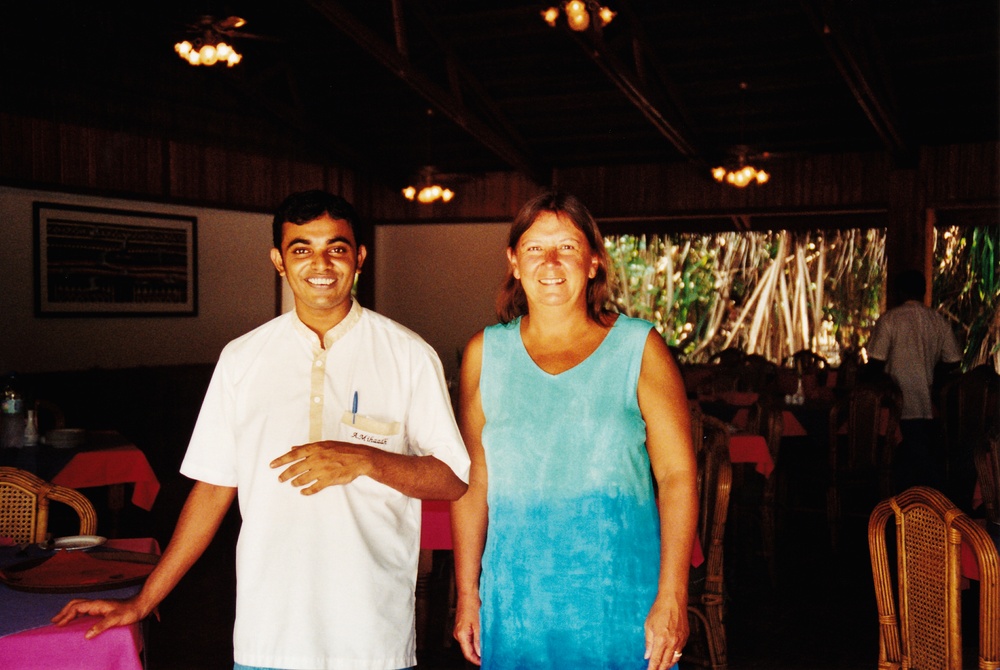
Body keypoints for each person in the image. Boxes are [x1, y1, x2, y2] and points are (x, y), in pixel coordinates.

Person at [53, 190, 470, 670]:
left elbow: (452, 478)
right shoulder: (242, 359)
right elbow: (212, 490)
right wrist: (143, 601)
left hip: (371, 634)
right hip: (267, 633)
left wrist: (365, 459)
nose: (322, 263)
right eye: (301, 249)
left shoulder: (408, 354)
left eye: (337, 248)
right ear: (278, 260)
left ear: (359, 258)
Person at [451, 191, 698, 670]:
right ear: (514, 263)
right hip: (516, 602)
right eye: (534, 248)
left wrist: (672, 594)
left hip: (622, 598)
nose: (550, 261)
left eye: (566, 246)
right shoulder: (485, 353)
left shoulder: (638, 346)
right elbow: (474, 479)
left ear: (593, 262)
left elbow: (676, 475)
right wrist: (467, 593)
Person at [865, 268, 962, 491]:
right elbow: (954, 360)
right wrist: (933, 374)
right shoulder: (937, 321)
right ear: (924, 291)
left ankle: (899, 517)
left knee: (900, 470)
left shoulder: (890, 320)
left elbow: (876, 363)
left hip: (896, 411)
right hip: (928, 408)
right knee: (925, 470)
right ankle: (928, 517)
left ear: (899, 292)